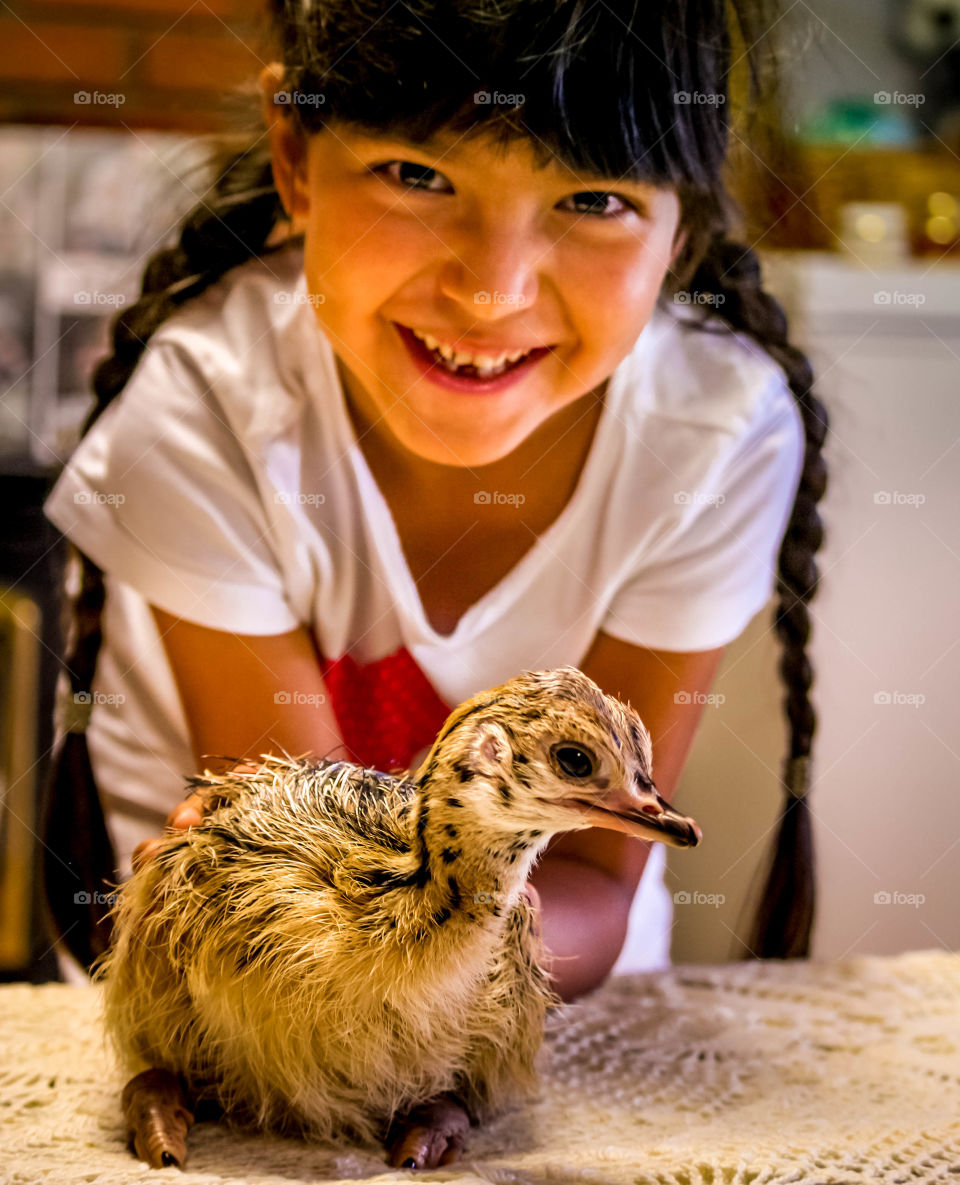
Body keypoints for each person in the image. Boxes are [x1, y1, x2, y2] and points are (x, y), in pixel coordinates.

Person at [41, 0, 827, 1000]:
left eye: (592, 200)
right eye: (417, 175)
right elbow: (307, 883)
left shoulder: (716, 433)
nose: (492, 291)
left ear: (681, 230)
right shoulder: (207, 405)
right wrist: (431, 917)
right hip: (238, 1011)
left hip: (556, 1015)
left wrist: (462, 937)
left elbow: (594, 873)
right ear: (295, 156)